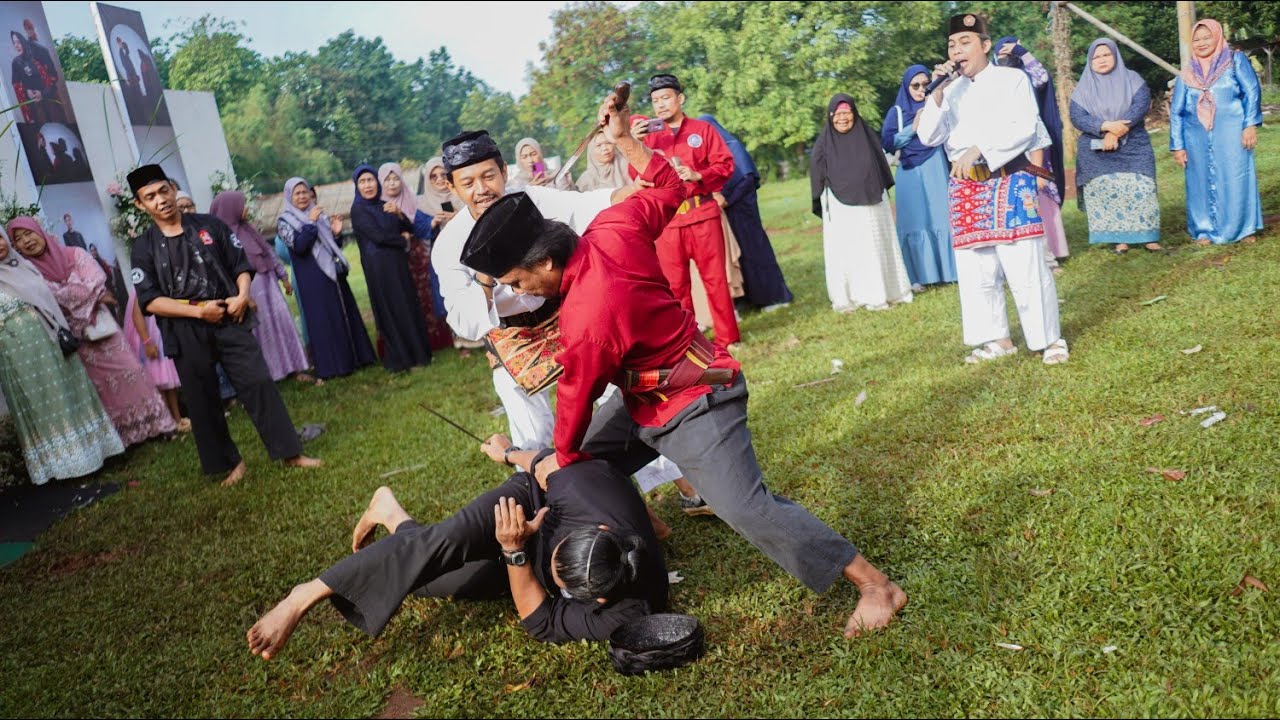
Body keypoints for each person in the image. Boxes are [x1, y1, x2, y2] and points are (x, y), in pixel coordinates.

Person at [462, 90, 907, 638]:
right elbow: (672, 185)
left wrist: (553, 462)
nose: (519, 293)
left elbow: (573, 410)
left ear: (545, 261)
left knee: (747, 509)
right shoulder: (613, 227)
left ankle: (875, 585)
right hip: (645, 399)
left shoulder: (588, 317)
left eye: (518, 282)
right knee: (573, 464)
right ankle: (627, 522)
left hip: (696, 402)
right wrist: (626, 138)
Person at [434, 130, 700, 518]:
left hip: (566, 313)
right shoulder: (450, 244)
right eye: (468, 182)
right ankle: (561, 513)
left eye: (488, 176)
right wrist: (486, 276)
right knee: (531, 430)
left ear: (504, 171)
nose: (481, 189)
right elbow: (465, 322)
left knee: (622, 401)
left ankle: (684, 485)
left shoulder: (533, 200)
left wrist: (631, 190)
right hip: (512, 335)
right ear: (454, 187)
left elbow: (588, 205)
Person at [246, 450, 668, 659]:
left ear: (594, 598)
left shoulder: (629, 610)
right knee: (440, 545)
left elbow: (540, 623)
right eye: (560, 559)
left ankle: (391, 513)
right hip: (525, 501)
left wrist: (515, 552)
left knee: (430, 581)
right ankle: (303, 595)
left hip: (520, 552)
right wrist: (503, 452)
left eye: (562, 584)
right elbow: (545, 461)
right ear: (599, 529)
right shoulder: (583, 490)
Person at [126, 165, 321, 486]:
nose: (160, 200)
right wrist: (199, 312)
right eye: (150, 197)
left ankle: (290, 452)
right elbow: (150, 300)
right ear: (140, 205)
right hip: (186, 327)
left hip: (231, 315)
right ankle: (230, 463)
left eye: (163, 191)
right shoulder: (143, 247)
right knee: (202, 400)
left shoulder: (210, 225)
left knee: (258, 382)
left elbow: (240, 264)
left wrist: (243, 294)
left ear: (173, 189)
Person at [916, 14, 1069, 366]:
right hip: (966, 188)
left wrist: (980, 147)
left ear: (985, 46)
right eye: (952, 45)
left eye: (965, 42)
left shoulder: (1011, 79)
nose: (957, 50)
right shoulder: (949, 90)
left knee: (1026, 265)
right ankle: (997, 339)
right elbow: (928, 136)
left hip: (1009, 180)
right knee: (977, 272)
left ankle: (1049, 340)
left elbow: (1026, 127)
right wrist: (936, 93)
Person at [8, 216, 176, 446]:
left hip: (103, 329)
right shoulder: (29, 273)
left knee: (131, 371)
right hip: (78, 340)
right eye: (19, 239)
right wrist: (86, 295)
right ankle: (125, 437)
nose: (26, 241)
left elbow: (97, 280)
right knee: (101, 388)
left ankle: (158, 425)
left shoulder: (74, 253)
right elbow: (54, 297)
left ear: (40, 232)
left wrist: (75, 296)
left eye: (29, 233)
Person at [0, 227, 124, 484]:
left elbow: (51, 301)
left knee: (70, 394)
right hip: (17, 357)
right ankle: (63, 464)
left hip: (53, 344)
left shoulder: (23, 266)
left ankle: (94, 453)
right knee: (41, 404)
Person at [632, 74, 740, 348]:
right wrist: (634, 145)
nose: (660, 105)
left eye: (666, 98)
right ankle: (689, 343)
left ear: (680, 99)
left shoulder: (702, 130)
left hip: (703, 214)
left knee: (716, 280)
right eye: (655, 100)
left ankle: (729, 338)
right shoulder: (648, 138)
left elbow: (726, 165)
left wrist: (696, 174)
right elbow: (637, 176)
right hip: (668, 223)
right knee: (676, 287)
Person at [810, 93, 915, 313]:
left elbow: (880, 169)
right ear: (830, 116)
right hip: (841, 208)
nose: (842, 118)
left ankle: (882, 293)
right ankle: (852, 296)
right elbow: (817, 176)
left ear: (854, 113)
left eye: (846, 113)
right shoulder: (823, 144)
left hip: (872, 207)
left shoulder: (867, 138)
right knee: (849, 250)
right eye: (837, 114)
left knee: (873, 246)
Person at [1171, 19, 1263, 246]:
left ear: (1217, 36)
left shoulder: (1234, 60)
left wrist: (1250, 124)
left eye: (1206, 37)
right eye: (1196, 39)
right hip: (1196, 138)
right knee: (1199, 181)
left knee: (1235, 176)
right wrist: (1178, 145)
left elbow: (1251, 91)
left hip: (1232, 132)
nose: (1201, 43)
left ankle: (1243, 229)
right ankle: (1204, 231)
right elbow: (1177, 111)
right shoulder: (1188, 72)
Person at [210, 191, 317, 385]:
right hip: (250, 291)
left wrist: (283, 277)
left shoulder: (248, 229)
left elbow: (267, 252)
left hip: (268, 283)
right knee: (263, 331)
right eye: (242, 204)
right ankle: (272, 374)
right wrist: (242, 295)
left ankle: (293, 367)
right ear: (231, 208)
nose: (246, 208)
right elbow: (225, 271)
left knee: (282, 323)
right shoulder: (221, 238)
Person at [277, 178, 376, 380]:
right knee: (324, 321)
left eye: (305, 192)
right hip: (311, 278)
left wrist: (336, 234)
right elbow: (300, 246)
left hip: (333, 272)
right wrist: (311, 222)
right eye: (298, 193)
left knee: (343, 314)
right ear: (289, 197)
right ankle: (334, 367)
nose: (303, 196)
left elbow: (328, 244)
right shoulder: (285, 221)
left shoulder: (317, 214)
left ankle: (357, 358)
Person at [1069, 39, 1162, 252]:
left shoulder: (1133, 79)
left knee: (1142, 186)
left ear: (1115, 56)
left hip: (1133, 146)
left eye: (1106, 55)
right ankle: (1119, 239)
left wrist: (1117, 131)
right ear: (1089, 61)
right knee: (1108, 189)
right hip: (1097, 150)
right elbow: (1077, 117)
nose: (1101, 60)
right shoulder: (1083, 88)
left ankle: (1148, 237)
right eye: (1096, 57)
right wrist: (1105, 126)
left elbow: (1139, 105)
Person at [697, 114, 794, 311]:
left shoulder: (732, 146)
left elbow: (747, 178)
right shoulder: (709, 152)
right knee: (734, 255)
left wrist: (727, 199)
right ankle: (746, 299)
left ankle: (775, 297)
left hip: (743, 210)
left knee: (754, 252)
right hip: (723, 213)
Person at [995, 37, 1070, 270]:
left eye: (1010, 54)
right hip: (1005, 149)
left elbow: (1042, 77)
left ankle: (1051, 255)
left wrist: (1021, 51)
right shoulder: (992, 82)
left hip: (1035, 148)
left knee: (1038, 196)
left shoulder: (1026, 77)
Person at [348, 165, 432, 372]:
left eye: (370, 180)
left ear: (377, 182)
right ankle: (402, 360)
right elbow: (378, 236)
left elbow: (408, 229)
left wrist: (400, 214)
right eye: (363, 182)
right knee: (392, 310)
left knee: (407, 305)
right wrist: (402, 242)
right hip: (379, 270)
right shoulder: (358, 210)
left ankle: (419, 355)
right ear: (357, 186)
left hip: (397, 265)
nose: (368, 185)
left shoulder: (385, 205)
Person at [881, 66, 957, 288]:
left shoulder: (937, 103)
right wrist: (912, 128)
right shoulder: (896, 111)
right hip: (908, 169)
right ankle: (919, 276)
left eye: (925, 84)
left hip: (935, 163)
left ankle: (950, 271)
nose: (921, 89)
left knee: (941, 215)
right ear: (906, 87)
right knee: (913, 220)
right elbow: (887, 143)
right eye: (915, 85)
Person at [378, 163, 453, 352]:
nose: (393, 184)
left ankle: (438, 337)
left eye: (396, 179)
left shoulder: (413, 199)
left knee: (426, 293)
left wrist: (430, 223)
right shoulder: (378, 205)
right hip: (396, 258)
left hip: (419, 254)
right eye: (388, 180)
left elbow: (419, 228)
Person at [124, 291, 188, 432]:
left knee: (169, 383)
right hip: (152, 340)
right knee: (159, 384)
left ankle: (177, 418)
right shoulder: (141, 288)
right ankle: (167, 422)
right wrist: (147, 341)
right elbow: (136, 315)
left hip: (163, 338)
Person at [9, 31, 57, 124]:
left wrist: (42, 93)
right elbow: (17, 86)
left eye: (18, 42)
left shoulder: (39, 53)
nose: (16, 45)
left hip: (50, 100)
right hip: (34, 106)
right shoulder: (16, 62)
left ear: (23, 41)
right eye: (14, 42)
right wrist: (27, 91)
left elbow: (53, 77)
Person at [509, 138, 574, 191]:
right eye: (524, 157)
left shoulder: (557, 175)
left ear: (540, 154)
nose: (530, 160)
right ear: (519, 160)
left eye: (533, 154)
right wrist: (529, 188)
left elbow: (566, 198)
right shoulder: (515, 184)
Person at [87, 244, 128, 325]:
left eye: (94, 250)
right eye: (91, 251)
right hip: (100, 292)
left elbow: (109, 273)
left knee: (114, 308)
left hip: (108, 288)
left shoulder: (101, 261)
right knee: (108, 311)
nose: (93, 252)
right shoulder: (90, 263)